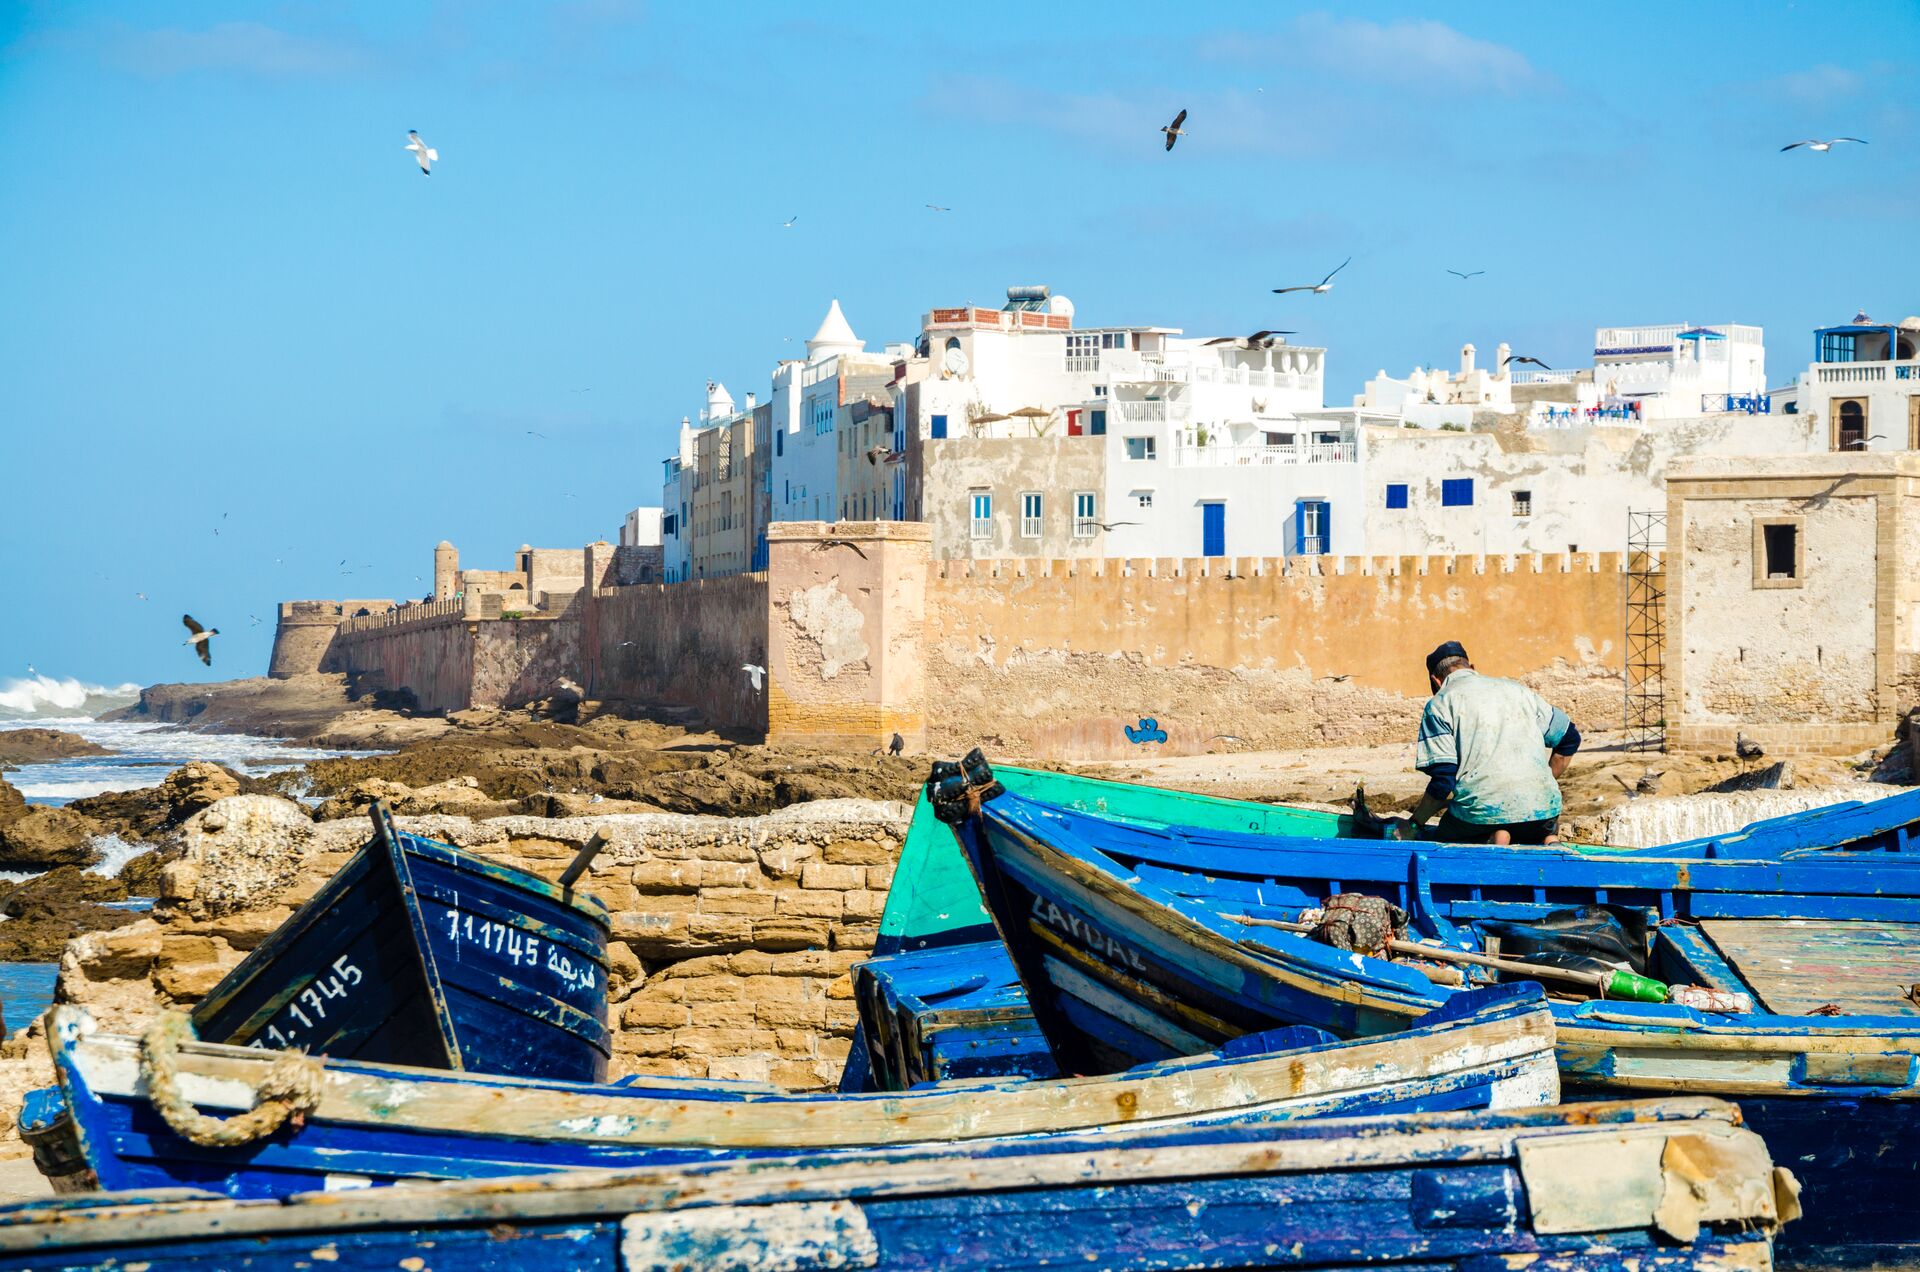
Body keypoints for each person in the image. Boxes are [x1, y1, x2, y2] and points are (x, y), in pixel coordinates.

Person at [1395, 640, 1581, 845]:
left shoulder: (1440, 703)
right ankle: (1547, 839)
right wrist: (1544, 782)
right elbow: (1569, 739)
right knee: (1534, 829)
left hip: (1480, 818)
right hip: (1542, 812)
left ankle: (1494, 838)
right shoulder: (1518, 690)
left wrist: (1414, 824)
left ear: (1436, 681)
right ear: (1472, 668)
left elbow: (1443, 781)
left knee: (1447, 834)